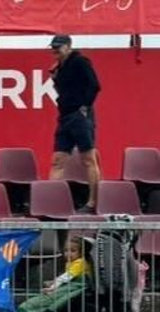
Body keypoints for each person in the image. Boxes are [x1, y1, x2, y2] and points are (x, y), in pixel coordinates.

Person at [49, 34, 101, 212]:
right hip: (64, 117)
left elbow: (94, 85)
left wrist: (85, 106)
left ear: (68, 46)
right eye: (53, 47)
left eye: (59, 47)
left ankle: (92, 202)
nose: (55, 51)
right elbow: (64, 91)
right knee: (57, 160)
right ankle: (51, 203)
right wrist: (55, 79)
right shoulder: (59, 67)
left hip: (79, 116)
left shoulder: (80, 61)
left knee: (88, 159)